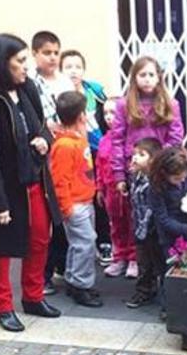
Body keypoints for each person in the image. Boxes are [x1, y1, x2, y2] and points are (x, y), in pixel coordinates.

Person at [0, 33, 62, 332]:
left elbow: (45, 126)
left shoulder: (28, 88)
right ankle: (3, 306)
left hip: (35, 180)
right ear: (1, 64)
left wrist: (44, 140)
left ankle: (33, 297)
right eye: (19, 61)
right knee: (2, 248)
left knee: (40, 240)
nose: (26, 67)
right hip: (5, 187)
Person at [109, 56, 185, 277]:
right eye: (142, 75)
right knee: (139, 219)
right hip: (135, 171)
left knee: (160, 218)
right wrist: (119, 175)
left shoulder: (171, 104)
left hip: (161, 171)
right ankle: (140, 266)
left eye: (151, 74)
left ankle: (164, 268)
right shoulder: (124, 105)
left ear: (159, 77)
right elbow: (117, 140)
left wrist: (160, 163)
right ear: (134, 78)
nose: (147, 79)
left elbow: (175, 136)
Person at [29, 31, 72, 295]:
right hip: (45, 156)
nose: (53, 57)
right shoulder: (31, 84)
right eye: (47, 52)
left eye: (56, 52)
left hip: (67, 152)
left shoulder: (65, 81)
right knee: (48, 216)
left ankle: (63, 266)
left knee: (66, 214)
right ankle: (43, 275)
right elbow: (38, 119)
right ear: (35, 54)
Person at [51, 91, 102, 308]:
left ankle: (74, 279)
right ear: (81, 115)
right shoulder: (65, 146)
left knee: (79, 243)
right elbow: (59, 180)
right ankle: (81, 285)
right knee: (85, 243)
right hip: (75, 204)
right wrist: (66, 206)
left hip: (84, 201)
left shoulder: (76, 140)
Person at [61, 49, 113, 262]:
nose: (73, 71)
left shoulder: (95, 92)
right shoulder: (60, 95)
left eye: (77, 67)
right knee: (77, 198)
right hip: (73, 151)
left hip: (96, 150)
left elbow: (109, 117)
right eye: (68, 67)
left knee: (99, 195)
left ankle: (104, 242)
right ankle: (74, 249)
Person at [149, 147, 187, 318]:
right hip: (170, 236)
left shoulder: (185, 178)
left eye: (183, 177)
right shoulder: (156, 188)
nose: (181, 181)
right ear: (164, 173)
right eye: (176, 178)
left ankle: (186, 303)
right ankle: (167, 307)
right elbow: (163, 220)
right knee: (170, 270)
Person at [96, 99, 135, 278]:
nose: (109, 117)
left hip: (126, 189)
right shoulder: (104, 140)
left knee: (132, 224)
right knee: (116, 226)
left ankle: (134, 258)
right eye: (106, 113)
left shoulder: (130, 139)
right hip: (110, 191)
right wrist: (99, 188)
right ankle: (119, 257)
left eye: (113, 113)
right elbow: (99, 165)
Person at [125, 137, 164, 308]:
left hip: (153, 229)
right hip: (140, 227)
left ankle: (164, 295)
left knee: (158, 262)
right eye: (134, 154)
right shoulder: (136, 176)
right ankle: (143, 291)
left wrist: (146, 227)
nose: (135, 158)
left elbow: (152, 208)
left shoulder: (156, 182)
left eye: (141, 155)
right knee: (143, 262)